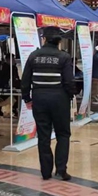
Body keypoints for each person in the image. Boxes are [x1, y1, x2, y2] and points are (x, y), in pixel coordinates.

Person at [21, 27, 77, 180]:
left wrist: (27, 98)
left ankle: (46, 172)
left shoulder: (33, 56)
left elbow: (25, 80)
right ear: (59, 41)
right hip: (60, 100)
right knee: (63, 134)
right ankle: (61, 170)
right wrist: (70, 96)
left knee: (43, 135)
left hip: (39, 99)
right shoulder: (64, 57)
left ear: (44, 39)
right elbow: (69, 82)